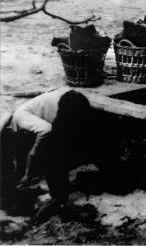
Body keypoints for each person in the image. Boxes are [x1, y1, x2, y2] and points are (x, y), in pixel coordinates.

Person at [0, 88, 96, 219]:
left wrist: (28, 173)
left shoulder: (20, 117)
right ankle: (63, 191)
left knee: (51, 152)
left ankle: (58, 199)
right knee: (57, 147)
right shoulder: (23, 117)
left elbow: (46, 130)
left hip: (69, 104)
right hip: (75, 99)